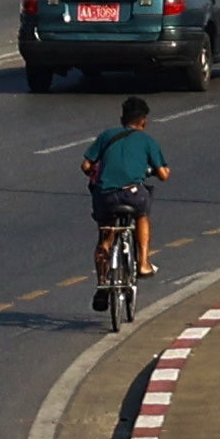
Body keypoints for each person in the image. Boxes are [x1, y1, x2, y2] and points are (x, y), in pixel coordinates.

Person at [85, 98, 168, 304]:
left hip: (105, 195)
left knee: (105, 234)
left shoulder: (106, 136)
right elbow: (163, 174)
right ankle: (143, 263)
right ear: (144, 122)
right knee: (142, 213)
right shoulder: (147, 140)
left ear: (122, 119)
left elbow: (86, 165)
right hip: (132, 193)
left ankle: (103, 281)